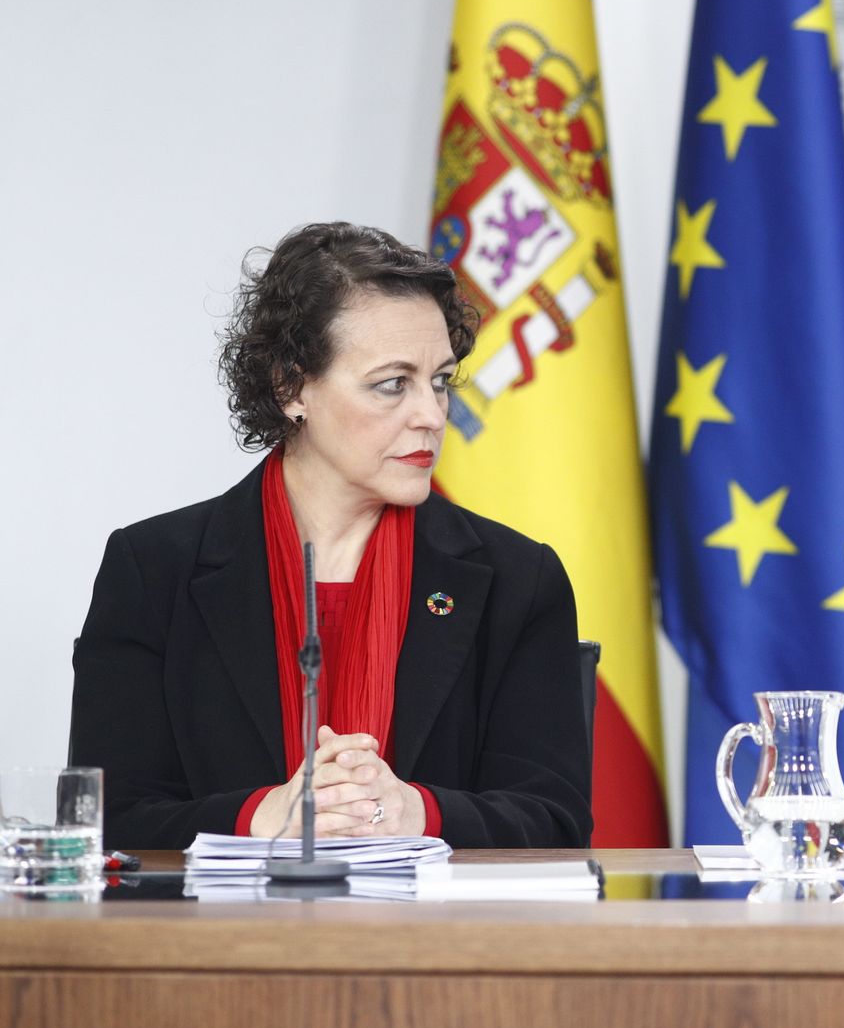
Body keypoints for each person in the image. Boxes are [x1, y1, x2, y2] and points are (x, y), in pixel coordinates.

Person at [70, 223, 591, 850]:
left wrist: (414, 811)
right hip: (220, 946)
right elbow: (101, 822)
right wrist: (263, 817)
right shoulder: (154, 570)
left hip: (438, 946)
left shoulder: (518, 578)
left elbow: (556, 820)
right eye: (392, 384)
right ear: (292, 387)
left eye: (441, 381)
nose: (430, 414)